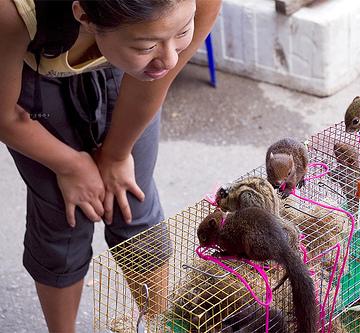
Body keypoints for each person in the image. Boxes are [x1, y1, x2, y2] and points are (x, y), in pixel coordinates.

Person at [0, 0, 221, 332]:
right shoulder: (10, 12)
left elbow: (157, 78)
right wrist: (71, 166)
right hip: (35, 69)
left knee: (132, 199)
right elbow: (4, 116)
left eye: (183, 31)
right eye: (148, 45)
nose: (172, 57)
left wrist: (117, 155)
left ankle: (161, 326)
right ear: (84, 16)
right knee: (65, 217)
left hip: (125, 61)